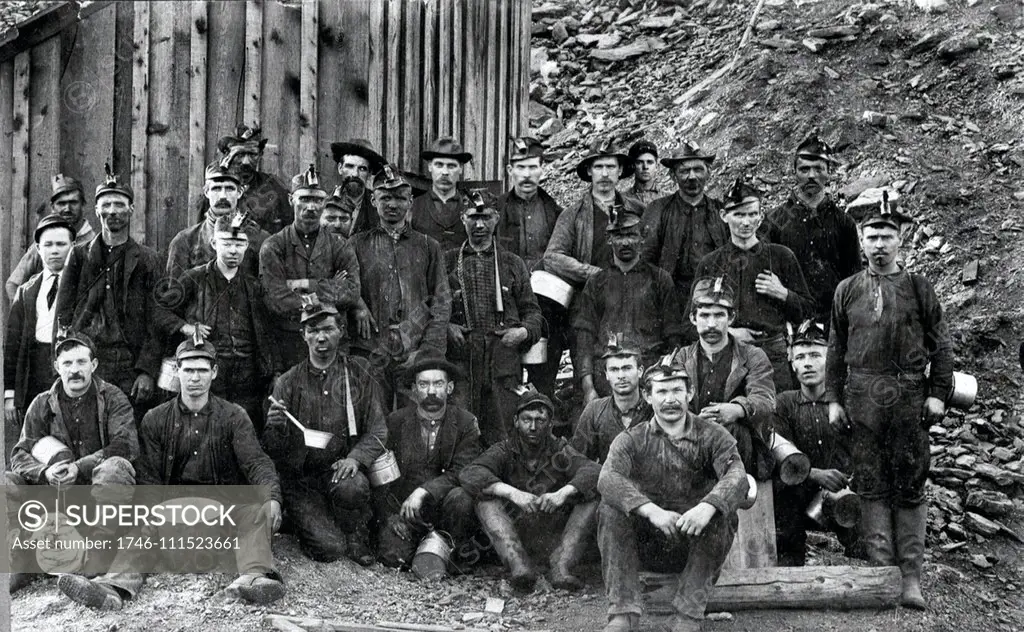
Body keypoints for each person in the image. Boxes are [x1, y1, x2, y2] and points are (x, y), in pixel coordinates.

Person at [55, 337, 286, 609]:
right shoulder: (155, 418)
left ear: (214, 372)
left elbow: (257, 462)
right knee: (141, 525)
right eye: (188, 370)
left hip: (222, 514)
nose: (195, 378)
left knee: (254, 512)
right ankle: (111, 590)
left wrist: (272, 498)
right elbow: (150, 479)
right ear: (177, 371)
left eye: (202, 370)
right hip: (173, 516)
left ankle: (251, 580)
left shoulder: (234, 416)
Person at [826, 191, 952, 610]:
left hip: (908, 398)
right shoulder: (847, 290)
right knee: (871, 484)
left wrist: (936, 394)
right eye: (872, 236)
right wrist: (833, 399)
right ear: (861, 242)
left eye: (887, 236)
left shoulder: (919, 287)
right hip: (861, 398)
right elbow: (834, 348)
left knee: (911, 484)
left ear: (902, 241)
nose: (879, 244)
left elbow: (941, 344)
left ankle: (911, 578)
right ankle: (883, 573)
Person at [597, 356, 748, 632]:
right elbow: (607, 478)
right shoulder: (632, 438)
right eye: (662, 391)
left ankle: (688, 616)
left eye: (677, 390)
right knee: (610, 509)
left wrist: (708, 506)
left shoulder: (713, 435)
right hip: (649, 542)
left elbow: (737, 477)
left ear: (689, 393)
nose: (670, 399)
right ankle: (623, 613)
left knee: (723, 514)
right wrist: (651, 511)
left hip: (695, 543)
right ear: (647, 395)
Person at [6, 331, 138, 596]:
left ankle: (98, 553)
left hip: (97, 497)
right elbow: (20, 453)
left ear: (94, 365)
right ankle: (19, 555)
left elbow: (126, 446)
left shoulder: (113, 398)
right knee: (6, 481)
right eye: (67, 364)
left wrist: (79, 467)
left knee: (115, 467)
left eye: (81, 362)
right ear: (56, 367)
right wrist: (45, 472)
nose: (74, 371)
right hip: (55, 496)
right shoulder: (41, 403)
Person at [263, 301, 387, 566]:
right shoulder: (287, 382)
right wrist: (277, 427)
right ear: (303, 335)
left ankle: (356, 532)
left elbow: (378, 429)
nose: (321, 337)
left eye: (328, 329)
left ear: (341, 331)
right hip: (302, 481)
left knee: (353, 486)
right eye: (313, 330)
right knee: (329, 549)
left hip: (340, 473)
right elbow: (271, 450)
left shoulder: (358, 373)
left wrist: (355, 458)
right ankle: (305, 519)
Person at [54, 166, 168, 418]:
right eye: (105, 205)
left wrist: (147, 371)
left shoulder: (149, 260)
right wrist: (63, 363)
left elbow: (157, 321)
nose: (112, 211)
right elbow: (63, 314)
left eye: (119, 204)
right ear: (96, 210)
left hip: (130, 364)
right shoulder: (79, 256)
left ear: (131, 209)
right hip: (88, 361)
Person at [460, 390, 600, 592]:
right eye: (527, 420)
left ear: (550, 424)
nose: (533, 427)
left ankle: (561, 565)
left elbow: (594, 470)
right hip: (515, 530)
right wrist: (511, 493)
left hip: (553, 532)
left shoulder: (560, 449)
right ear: (516, 421)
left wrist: (563, 493)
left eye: (540, 420)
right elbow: (470, 473)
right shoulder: (504, 449)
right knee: (486, 500)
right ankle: (519, 567)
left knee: (591, 498)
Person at [159, 212, 283, 434]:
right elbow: (160, 311)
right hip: (209, 376)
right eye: (227, 243)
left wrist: (274, 372)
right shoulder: (193, 278)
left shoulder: (253, 287)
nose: (233, 250)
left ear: (247, 246)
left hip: (247, 380)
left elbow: (267, 333)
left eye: (240, 243)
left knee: (244, 433)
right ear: (214, 243)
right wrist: (185, 327)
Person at [694, 177, 813, 392]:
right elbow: (692, 317)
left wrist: (783, 293)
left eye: (752, 214)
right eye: (738, 214)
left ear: (760, 216)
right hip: (726, 354)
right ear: (724, 216)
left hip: (772, 354)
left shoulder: (780, 256)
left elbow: (806, 311)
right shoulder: (711, 263)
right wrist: (727, 331)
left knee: (775, 415)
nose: (746, 222)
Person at [349, 165, 451, 410]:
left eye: (399, 198)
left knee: (414, 421)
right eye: (385, 197)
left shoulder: (428, 246)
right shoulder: (357, 244)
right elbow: (344, 285)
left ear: (410, 201)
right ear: (373, 201)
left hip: (413, 350)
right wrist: (358, 304)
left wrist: (427, 352)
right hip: (371, 349)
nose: (392, 204)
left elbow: (441, 301)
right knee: (373, 419)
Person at [445, 192, 544, 445]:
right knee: (462, 436)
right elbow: (431, 307)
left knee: (504, 436)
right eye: (473, 218)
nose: (479, 225)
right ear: (462, 218)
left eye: (486, 217)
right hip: (462, 362)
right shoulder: (447, 262)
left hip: (502, 363)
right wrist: (447, 326)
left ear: (496, 218)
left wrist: (522, 333)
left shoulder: (512, 263)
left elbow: (533, 313)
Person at [376, 352, 481, 571]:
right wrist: (389, 517)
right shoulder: (396, 422)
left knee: (461, 497)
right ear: (414, 390)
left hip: (446, 511)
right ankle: (421, 548)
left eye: (438, 384)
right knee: (392, 557)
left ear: (449, 388)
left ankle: (452, 548)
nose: (431, 391)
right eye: (423, 384)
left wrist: (422, 491)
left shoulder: (465, 422)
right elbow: (381, 478)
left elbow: (462, 471)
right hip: (407, 511)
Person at [669, 278, 776, 480]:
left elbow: (765, 399)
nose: (711, 324)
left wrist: (737, 410)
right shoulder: (681, 358)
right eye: (704, 315)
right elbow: (671, 400)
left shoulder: (752, 356)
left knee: (733, 430)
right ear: (693, 318)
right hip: (691, 444)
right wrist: (695, 422)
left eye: (719, 315)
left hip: (740, 450)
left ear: (731, 317)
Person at [259, 164, 362, 368]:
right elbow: (275, 299)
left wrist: (307, 284)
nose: (311, 207)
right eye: (304, 199)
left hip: (333, 342)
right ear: (291, 200)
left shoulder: (339, 245)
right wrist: (328, 291)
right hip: (289, 343)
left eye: (317, 200)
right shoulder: (274, 245)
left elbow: (352, 291)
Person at [574, 208, 682, 402]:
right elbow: (585, 337)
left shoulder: (659, 279)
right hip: (607, 372)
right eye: (618, 236)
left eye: (631, 235)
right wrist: (588, 387)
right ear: (609, 239)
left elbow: (673, 336)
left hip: (649, 370)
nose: (625, 242)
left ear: (642, 238)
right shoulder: (597, 282)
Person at [772, 321, 856, 566]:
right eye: (800, 357)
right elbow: (779, 454)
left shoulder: (849, 401)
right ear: (792, 363)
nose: (807, 363)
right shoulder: (784, 403)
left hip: (846, 488)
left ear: (830, 360)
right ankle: (790, 567)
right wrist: (814, 474)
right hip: (801, 491)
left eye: (815, 355)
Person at [765, 133, 862, 326]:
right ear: (794, 172)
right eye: (804, 169)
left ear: (829, 172)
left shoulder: (844, 223)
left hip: (833, 322)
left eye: (818, 169)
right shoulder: (774, 221)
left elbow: (854, 279)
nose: (811, 175)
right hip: (789, 322)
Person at [495, 136, 565, 398]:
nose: (527, 175)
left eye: (533, 167)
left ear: (542, 169)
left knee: (545, 365)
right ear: (509, 170)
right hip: (505, 301)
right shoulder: (495, 209)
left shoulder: (556, 212)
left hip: (546, 303)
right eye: (520, 167)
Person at [4, 215, 76, 451]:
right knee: (36, 440)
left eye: (61, 244)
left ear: (72, 246)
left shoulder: (81, 286)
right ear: (38, 248)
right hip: (33, 373)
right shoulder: (27, 291)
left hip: (67, 371)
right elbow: (12, 346)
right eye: (48, 245)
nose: (54, 251)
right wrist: (10, 394)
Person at [544, 136, 645, 291]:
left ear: (620, 170)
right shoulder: (573, 215)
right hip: (591, 296)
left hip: (631, 293)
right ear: (589, 171)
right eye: (598, 167)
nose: (605, 174)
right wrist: (594, 274)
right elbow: (552, 257)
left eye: (610, 167)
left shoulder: (638, 210)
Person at [640, 141, 728, 317]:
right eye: (684, 171)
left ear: (708, 173)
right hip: (672, 300)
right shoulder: (657, 210)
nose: (692, 176)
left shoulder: (722, 211)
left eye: (698, 169)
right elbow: (645, 260)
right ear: (673, 176)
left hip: (715, 297)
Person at [166, 160, 268, 279]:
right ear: (206, 192)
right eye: (216, 189)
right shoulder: (185, 241)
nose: (223, 196)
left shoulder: (261, 240)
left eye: (229, 188)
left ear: (240, 192)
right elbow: (176, 291)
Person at [6, 174, 97, 300]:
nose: (67, 209)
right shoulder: (44, 244)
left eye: (73, 202)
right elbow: (13, 284)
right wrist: (24, 315)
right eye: (61, 203)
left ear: (83, 205)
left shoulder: (94, 243)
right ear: (53, 207)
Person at [570, 337, 651, 463]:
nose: (621, 376)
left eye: (627, 368)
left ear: (640, 371)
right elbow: (577, 460)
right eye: (614, 370)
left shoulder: (654, 409)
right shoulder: (595, 411)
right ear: (606, 374)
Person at [200, 124, 292, 234]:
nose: (246, 162)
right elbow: (202, 235)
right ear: (227, 156)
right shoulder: (215, 191)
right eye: (240, 154)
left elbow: (289, 231)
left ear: (260, 154)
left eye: (252, 154)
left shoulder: (275, 187)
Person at [411, 137, 474, 253]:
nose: (445, 172)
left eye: (451, 166)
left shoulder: (472, 208)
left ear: (460, 168)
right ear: (430, 166)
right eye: (439, 165)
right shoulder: (413, 207)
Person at [330, 138, 386, 235]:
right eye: (350, 166)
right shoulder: (324, 203)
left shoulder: (379, 208)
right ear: (340, 168)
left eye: (362, 168)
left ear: (369, 173)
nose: (355, 174)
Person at [626, 140, 662, 206]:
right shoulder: (622, 199)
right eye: (639, 162)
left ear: (657, 166)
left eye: (650, 162)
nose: (645, 167)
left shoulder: (669, 199)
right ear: (632, 166)